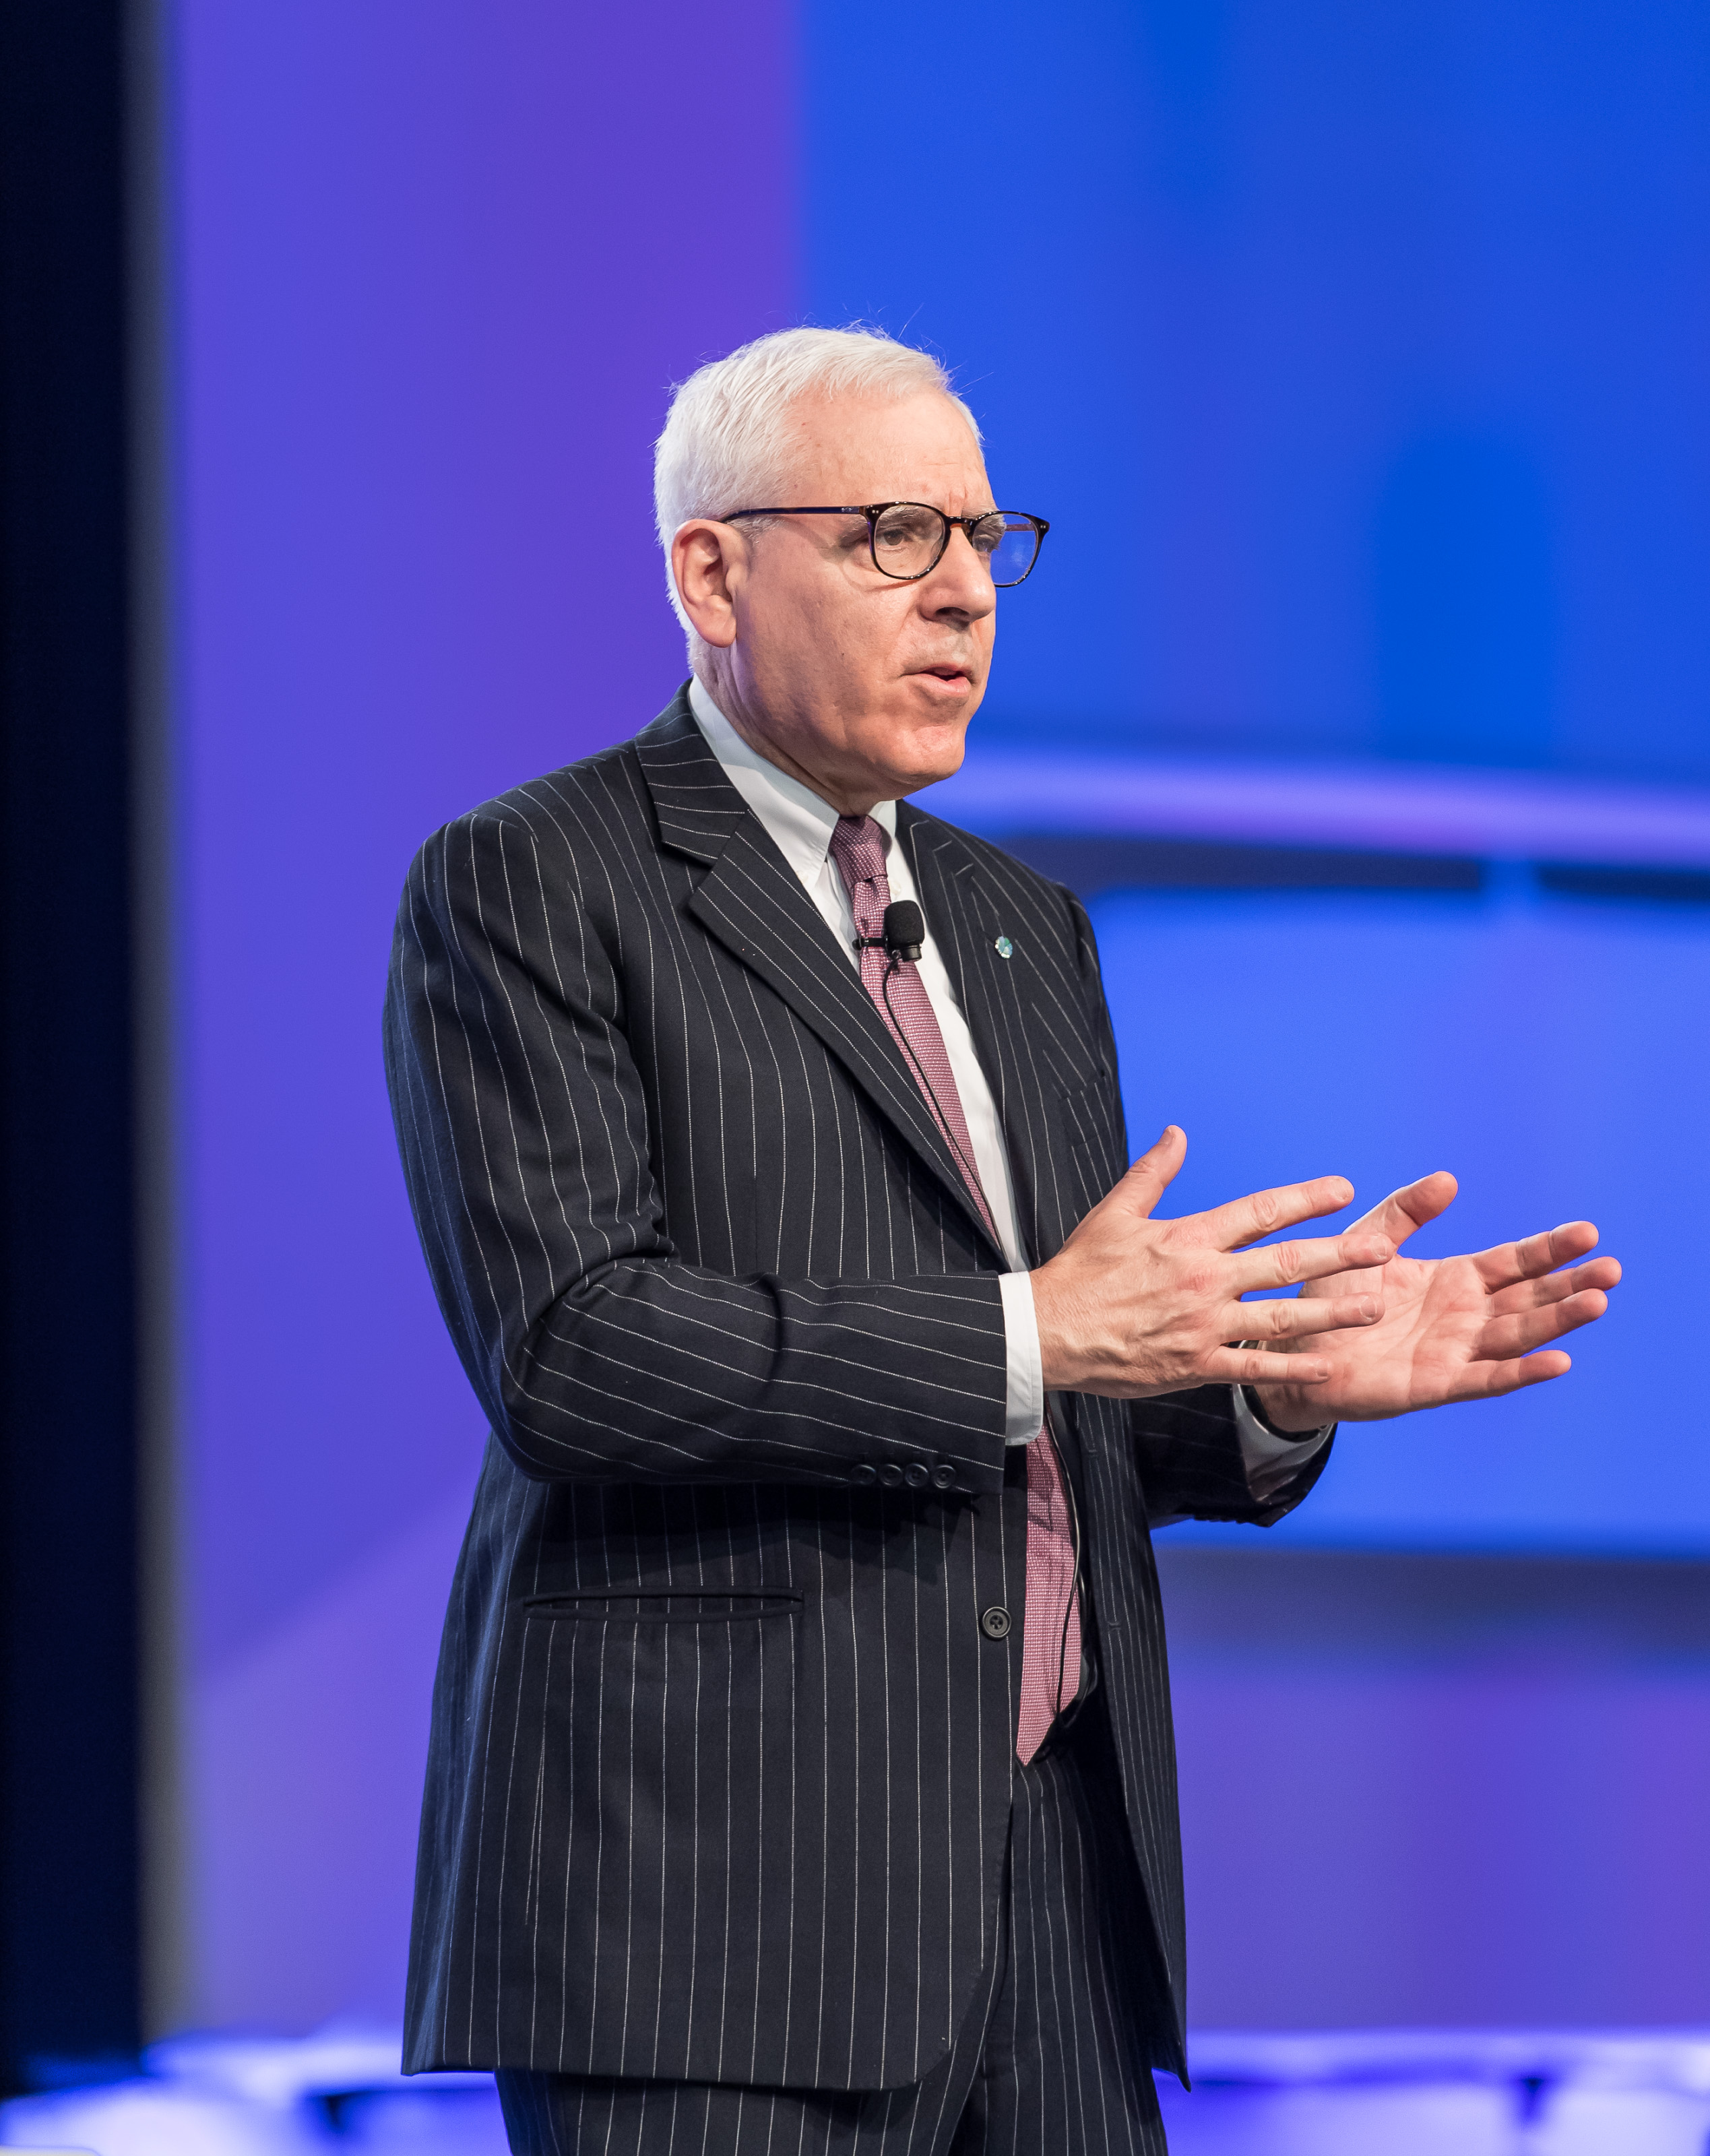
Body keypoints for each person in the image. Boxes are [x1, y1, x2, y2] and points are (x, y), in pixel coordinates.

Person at [382, 326, 1618, 2155]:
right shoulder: (535, 877)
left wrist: (1268, 1385)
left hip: (1051, 1917)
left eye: (982, 536)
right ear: (711, 573)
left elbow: (1055, 1404)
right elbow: (575, 1353)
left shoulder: (1023, 923)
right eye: (893, 534)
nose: (963, 591)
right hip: (712, 1914)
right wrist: (1039, 1332)